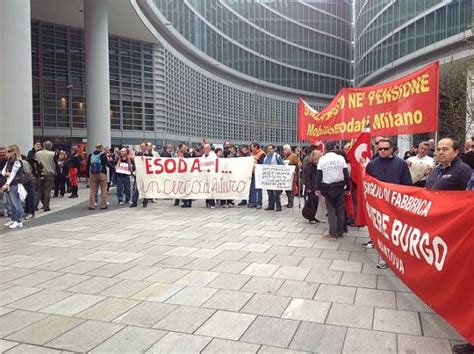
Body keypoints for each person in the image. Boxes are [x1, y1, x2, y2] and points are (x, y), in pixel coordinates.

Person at [363, 138, 412, 267]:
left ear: (392, 149)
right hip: (378, 205)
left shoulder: (401, 164)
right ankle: (384, 257)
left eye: (385, 149)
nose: (383, 151)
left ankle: (395, 256)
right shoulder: (372, 164)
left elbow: (407, 184)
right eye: (380, 149)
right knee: (381, 231)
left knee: (393, 232)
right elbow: (367, 182)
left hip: (395, 204)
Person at [314, 141, 351, 240]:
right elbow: (346, 174)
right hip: (340, 187)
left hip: (327, 187)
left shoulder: (322, 159)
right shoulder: (340, 158)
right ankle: (340, 232)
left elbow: (319, 175)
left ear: (326, 148)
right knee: (340, 210)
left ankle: (332, 233)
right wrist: (348, 187)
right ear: (334, 147)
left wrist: (317, 188)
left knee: (331, 210)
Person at [1, 145, 24, 229]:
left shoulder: (17, 161)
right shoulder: (8, 161)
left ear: (14, 152)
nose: (7, 153)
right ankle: (13, 219)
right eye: (7, 151)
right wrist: (7, 174)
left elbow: (13, 174)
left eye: (9, 151)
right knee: (11, 204)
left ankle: (18, 221)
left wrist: (6, 183)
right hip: (10, 184)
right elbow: (3, 172)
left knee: (16, 203)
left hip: (15, 184)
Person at [86, 143, 111, 210]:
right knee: (103, 190)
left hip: (93, 174)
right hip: (102, 173)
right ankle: (103, 205)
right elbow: (108, 164)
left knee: (93, 190)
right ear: (102, 148)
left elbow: (88, 166)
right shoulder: (103, 155)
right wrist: (114, 168)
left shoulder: (91, 155)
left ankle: (91, 205)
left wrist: (87, 175)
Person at [35, 140, 56, 212]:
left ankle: (35, 205)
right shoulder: (53, 154)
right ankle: (46, 206)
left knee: (39, 189)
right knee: (48, 190)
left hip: (40, 173)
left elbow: (36, 162)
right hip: (50, 173)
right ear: (50, 146)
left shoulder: (38, 153)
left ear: (43, 146)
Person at [130, 143, 153, 208]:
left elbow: (151, 162)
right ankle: (134, 202)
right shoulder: (139, 154)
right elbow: (135, 162)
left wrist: (145, 158)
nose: (141, 147)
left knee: (145, 187)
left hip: (146, 174)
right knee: (137, 188)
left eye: (143, 146)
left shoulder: (150, 154)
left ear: (146, 147)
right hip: (139, 174)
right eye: (141, 146)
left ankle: (145, 202)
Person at [263, 144, 285, 212]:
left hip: (275, 178)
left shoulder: (277, 156)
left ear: (273, 149)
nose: (269, 150)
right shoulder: (266, 157)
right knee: (269, 193)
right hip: (268, 178)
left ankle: (278, 206)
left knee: (276, 193)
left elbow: (282, 166)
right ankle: (271, 205)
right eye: (268, 148)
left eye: (270, 148)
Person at [303, 150, 322, 220]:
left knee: (317, 202)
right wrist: (309, 188)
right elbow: (307, 178)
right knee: (311, 203)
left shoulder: (318, 166)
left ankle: (317, 217)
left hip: (316, 186)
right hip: (311, 187)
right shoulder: (309, 166)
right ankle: (311, 217)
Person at [282, 144, 300, 208]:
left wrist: (295, 170)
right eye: (283, 149)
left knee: (291, 189)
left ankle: (291, 202)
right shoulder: (284, 157)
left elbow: (298, 164)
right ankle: (289, 201)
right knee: (287, 189)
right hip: (286, 175)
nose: (284, 151)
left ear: (289, 150)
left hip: (292, 175)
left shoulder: (294, 156)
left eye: (285, 149)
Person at [248, 143, 265, 209]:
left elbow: (263, 163)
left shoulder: (262, 154)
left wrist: (257, 159)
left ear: (256, 147)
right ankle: (252, 202)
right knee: (252, 188)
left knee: (258, 189)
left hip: (258, 173)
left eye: (252, 147)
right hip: (252, 173)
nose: (251, 149)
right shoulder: (252, 154)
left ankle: (259, 203)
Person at [202, 144, 217, 209]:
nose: (206, 149)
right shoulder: (203, 155)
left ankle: (212, 203)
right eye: (205, 148)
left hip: (211, 174)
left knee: (211, 188)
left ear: (210, 148)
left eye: (207, 148)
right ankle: (207, 201)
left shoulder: (213, 155)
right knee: (206, 188)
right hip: (205, 174)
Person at [0, 146, 8, 217]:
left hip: (6, 180)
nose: (2, 154)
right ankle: (1, 212)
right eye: (1, 153)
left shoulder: (8, 160)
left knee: (8, 197)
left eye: (3, 152)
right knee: (0, 197)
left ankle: (10, 211)